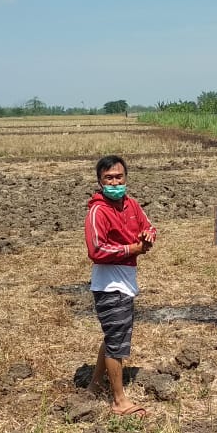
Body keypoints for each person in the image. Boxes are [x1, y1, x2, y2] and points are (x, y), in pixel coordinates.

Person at [85, 155, 156, 416]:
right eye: (109, 178)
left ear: (126, 178)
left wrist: (148, 237)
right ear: (100, 181)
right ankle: (118, 401)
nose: (115, 182)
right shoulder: (98, 211)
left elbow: (149, 227)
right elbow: (96, 249)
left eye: (119, 177)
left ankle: (94, 385)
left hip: (126, 280)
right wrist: (132, 248)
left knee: (113, 337)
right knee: (117, 341)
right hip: (109, 284)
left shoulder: (132, 205)